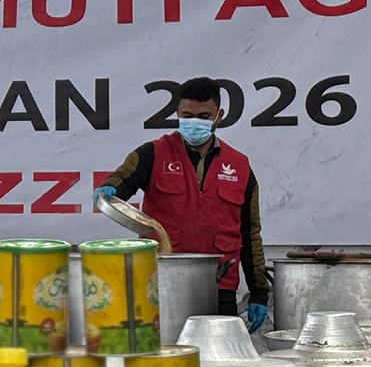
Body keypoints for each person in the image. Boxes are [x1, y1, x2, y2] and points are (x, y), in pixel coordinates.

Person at [93, 77, 272, 332]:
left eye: (204, 116)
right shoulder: (153, 153)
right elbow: (122, 180)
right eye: (187, 115)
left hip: (219, 286)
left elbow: (250, 235)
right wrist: (109, 188)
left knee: (216, 355)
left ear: (219, 116)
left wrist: (259, 292)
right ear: (177, 112)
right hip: (160, 283)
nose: (194, 122)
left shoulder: (240, 166)